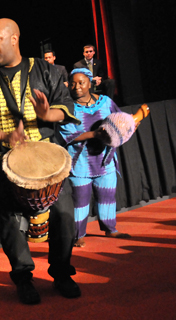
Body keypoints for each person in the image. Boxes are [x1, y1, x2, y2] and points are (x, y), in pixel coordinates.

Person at [0, 18, 81, 304]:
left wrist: (46, 115)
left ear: (14, 39)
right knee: (10, 224)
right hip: (6, 163)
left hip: (48, 161)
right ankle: (23, 278)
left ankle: (62, 272)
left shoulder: (47, 71)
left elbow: (65, 106)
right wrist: (5, 135)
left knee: (64, 217)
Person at [57, 69, 131, 247]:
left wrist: (128, 125)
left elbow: (121, 119)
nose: (77, 87)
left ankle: (110, 229)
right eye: (73, 83)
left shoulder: (106, 102)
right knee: (80, 201)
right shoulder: (68, 108)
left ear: (90, 83)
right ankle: (79, 234)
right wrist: (95, 134)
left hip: (105, 161)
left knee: (107, 197)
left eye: (81, 82)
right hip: (80, 163)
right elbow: (68, 135)